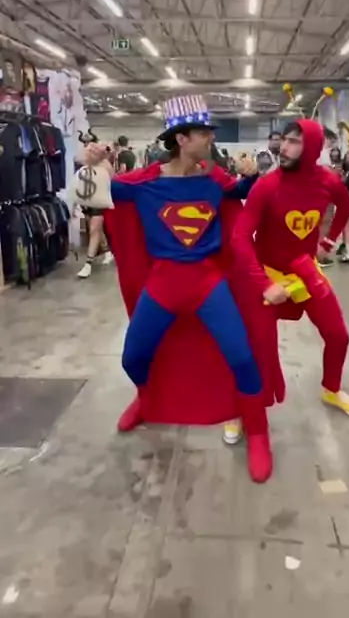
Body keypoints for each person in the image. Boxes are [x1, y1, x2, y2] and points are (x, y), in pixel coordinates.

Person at [73, 96, 284, 483]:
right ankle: (147, 399)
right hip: (163, 284)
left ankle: (257, 430)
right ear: (182, 139)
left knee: (242, 357)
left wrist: (253, 175)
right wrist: (89, 164)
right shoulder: (144, 183)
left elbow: (244, 192)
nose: (211, 138)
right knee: (133, 358)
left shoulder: (214, 180)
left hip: (208, 284)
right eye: (204, 133)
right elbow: (92, 196)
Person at [231, 119, 349, 436]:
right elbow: (240, 237)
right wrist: (264, 283)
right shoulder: (267, 185)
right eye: (284, 140)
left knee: (338, 336)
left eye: (294, 141)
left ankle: (331, 389)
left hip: (305, 271)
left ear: (313, 148)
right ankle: (239, 407)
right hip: (267, 276)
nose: (284, 147)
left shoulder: (328, 180)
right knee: (252, 348)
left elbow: (345, 205)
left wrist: (329, 241)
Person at [75, 132, 113, 279]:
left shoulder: (105, 164)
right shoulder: (86, 163)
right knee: (95, 230)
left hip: (100, 201)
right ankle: (107, 251)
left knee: (94, 229)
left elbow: (112, 182)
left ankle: (88, 263)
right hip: (88, 201)